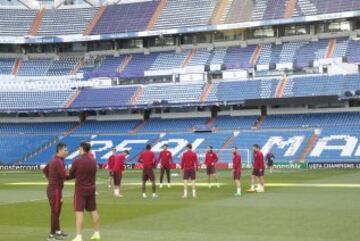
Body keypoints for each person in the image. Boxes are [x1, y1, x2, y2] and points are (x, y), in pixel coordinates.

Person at [67, 142, 100, 241]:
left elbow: (71, 175)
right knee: (93, 211)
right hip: (91, 189)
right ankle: (97, 233)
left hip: (80, 190)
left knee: (79, 212)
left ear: (81, 148)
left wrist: (62, 176)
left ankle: (78, 236)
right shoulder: (93, 160)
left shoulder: (77, 160)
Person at [43, 143, 68, 241]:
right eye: (65, 150)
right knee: (55, 212)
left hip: (56, 189)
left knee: (57, 211)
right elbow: (64, 176)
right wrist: (77, 174)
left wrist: (50, 179)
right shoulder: (57, 161)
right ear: (60, 150)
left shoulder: (56, 160)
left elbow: (45, 170)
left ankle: (57, 231)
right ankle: (51, 235)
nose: (67, 152)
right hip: (55, 190)